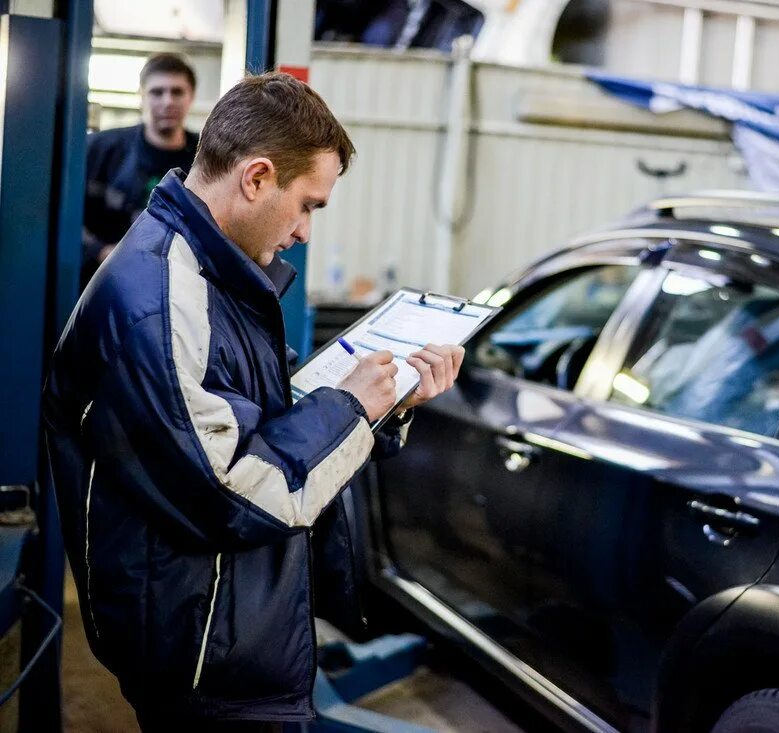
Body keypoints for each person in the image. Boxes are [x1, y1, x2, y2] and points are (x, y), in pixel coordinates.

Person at [42, 72, 465, 731]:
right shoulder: (158, 297)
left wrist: (384, 402)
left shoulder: (213, 271)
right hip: (205, 660)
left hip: (231, 628)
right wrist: (348, 409)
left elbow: (252, 419)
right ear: (258, 176)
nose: (303, 231)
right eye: (308, 205)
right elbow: (236, 490)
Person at [82, 53, 201, 289]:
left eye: (177, 92)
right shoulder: (100, 149)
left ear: (191, 97)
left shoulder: (206, 159)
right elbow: (66, 214)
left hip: (176, 285)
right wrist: (100, 251)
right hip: (100, 282)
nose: (167, 101)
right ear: (142, 96)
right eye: (157, 92)